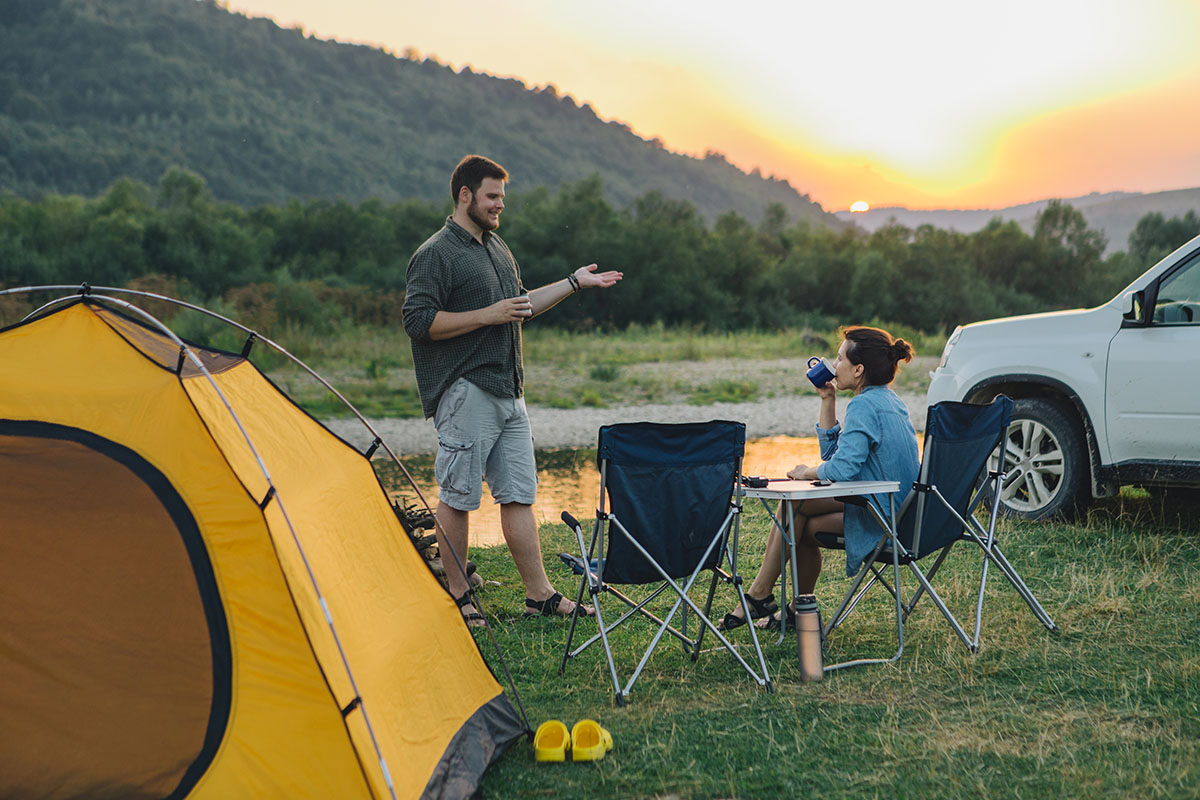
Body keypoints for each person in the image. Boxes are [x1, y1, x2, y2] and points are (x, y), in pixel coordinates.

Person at [402, 155, 623, 626]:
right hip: (465, 392)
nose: (501, 204)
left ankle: (539, 595)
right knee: (459, 495)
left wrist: (572, 283)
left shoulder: (497, 246)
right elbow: (418, 322)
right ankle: (459, 596)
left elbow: (519, 307)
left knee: (519, 494)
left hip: (510, 391)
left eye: (502, 195)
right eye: (492, 196)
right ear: (465, 196)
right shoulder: (435, 253)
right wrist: (487, 314)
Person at [718, 325, 920, 632]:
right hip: (899, 512)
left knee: (794, 506)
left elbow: (839, 470)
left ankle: (759, 595)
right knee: (801, 521)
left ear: (859, 368)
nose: (833, 366)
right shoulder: (889, 401)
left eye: (839, 359)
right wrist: (828, 400)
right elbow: (835, 455)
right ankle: (796, 607)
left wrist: (805, 473)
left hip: (883, 518)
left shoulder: (865, 406)